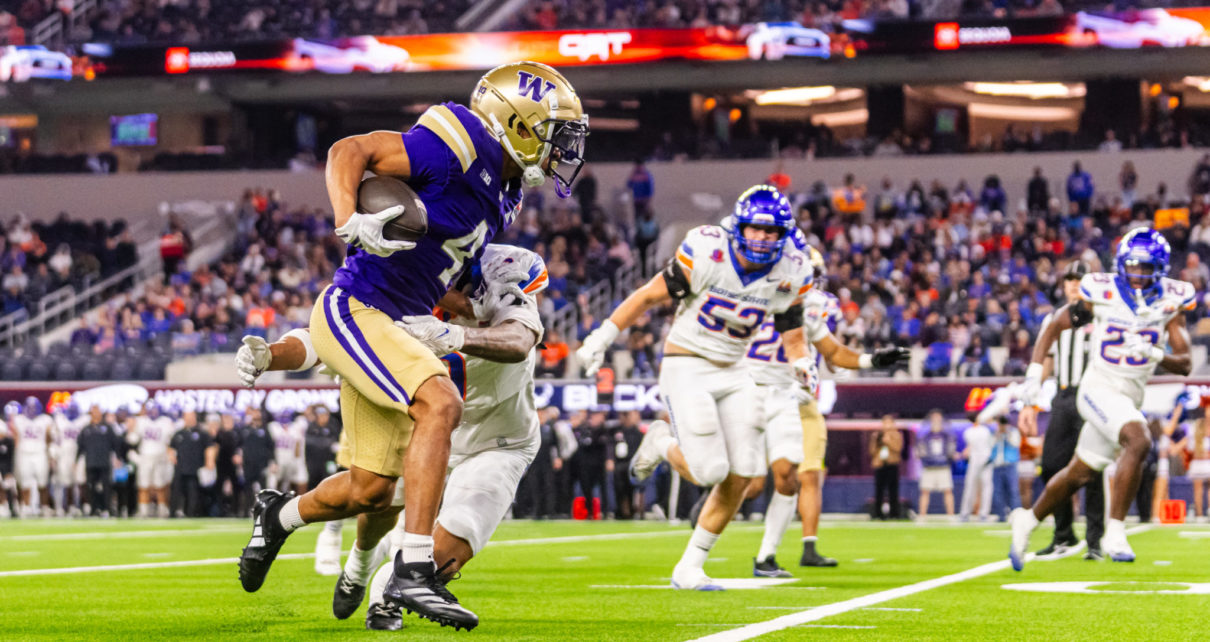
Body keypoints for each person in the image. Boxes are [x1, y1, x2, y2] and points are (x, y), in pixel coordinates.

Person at [234, 61, 586, 632]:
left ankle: (279, 515)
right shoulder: (462, 143)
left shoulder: (505, 189)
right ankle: (413, 569)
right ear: (517, 125)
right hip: (361, 306)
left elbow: (450, 275)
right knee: (440, 401)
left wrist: (457, 313)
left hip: (398, 319)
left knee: (373, 491)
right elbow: (349, 151)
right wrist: (349, 220)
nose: (561, 152)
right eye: (554, 135)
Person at [239, 244, 547, 630]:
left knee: (461, 532)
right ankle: (357, 562)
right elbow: (328, 337)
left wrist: (454, 335)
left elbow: (519, 341)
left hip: (497, 439)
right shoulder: (396, 286)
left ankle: (388, 591)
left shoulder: (500, 274)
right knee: (371, 495)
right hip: (426, 430)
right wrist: (272, 354)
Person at [579, 185, 814, 591]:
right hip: (687, 364)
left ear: (783, 235)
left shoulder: (792, 269)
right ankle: (659, 443)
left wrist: (802, 363)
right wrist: (602, 336)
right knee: (710, 471)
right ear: (739, 227)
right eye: (755, 229)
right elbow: (649, 295)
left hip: (737, 369)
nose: (761, 237)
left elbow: (792, 333)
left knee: (743, 474)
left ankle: (689, 567)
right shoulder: (709, 250)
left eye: (771, 231)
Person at [1011, 227, 1194, 568]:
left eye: (1146, 267)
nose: (1138, 275)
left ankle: (1028, 519)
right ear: (1122, 264)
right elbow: (1055, 325)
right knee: (1139, 440)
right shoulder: (1103, 292)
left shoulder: (1171, 301)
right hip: (1097, 388)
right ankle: (1115, 530)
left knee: (1079, 473)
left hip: (1129, 396)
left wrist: (1156, 354)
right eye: (1133, 267)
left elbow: (1185, 364)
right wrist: (1034, 374)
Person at [743, 243, 908, 575]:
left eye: (813, 275)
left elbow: (832, 351)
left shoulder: (813, 307)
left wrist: (871, 360)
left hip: (796, 397)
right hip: (750, 393)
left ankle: (784, 552)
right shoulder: (748, 294)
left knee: (800, 475)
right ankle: (711, 495)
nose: (809, 281)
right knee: (751, 482)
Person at [1020, 260, 1103, 559]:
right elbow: (1048, 362)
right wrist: (1030, 401)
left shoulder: (1102, 315)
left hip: (1093, 396)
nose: (1073, 283)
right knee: (1052, 464)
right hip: (1064, 396)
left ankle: (1095, 541)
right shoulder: (1054, 319)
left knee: (1093, 468)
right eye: (1069, 278)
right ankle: (1064, 534)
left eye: (1078, 278)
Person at [128, 400, 175, 518]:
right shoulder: (141, 421)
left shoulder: (166, 422)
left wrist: (170, 454)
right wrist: (132, 428)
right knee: (143, 485)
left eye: (155, 409)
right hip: (145, 456)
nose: (153, 412)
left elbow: (171, 442)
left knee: (160, 484)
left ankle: (162, 509)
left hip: (160, 457)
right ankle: (143, 510)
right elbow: (132, 439)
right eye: (151, 409)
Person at [168, 411, 217, 518]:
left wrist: (210, 461)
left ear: (195, 417)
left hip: (195, 468)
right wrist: (171, 456)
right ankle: (172, 513)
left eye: (191, 416)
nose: (189, 419)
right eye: (187, 417)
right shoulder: (179, 433)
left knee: (193, 493)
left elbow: (210, 447)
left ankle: (191, 514)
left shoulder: (202, 433)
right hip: (180, 468)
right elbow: (171, 447)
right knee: (176, 491)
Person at [12, 396, 52, 517]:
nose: (32, 410)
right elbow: (16, 438)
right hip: (24, 453)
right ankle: (26, 506)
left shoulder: (45, 420)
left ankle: (45, 507)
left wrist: (48, 451)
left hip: (40, 452)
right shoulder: (19, 420)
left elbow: (48, 437)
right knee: (25, 482)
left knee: (42, 482)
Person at [76, 406, 120, 517]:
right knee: (90, 487)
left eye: (97, 411)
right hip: (90, 462)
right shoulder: (86, 429)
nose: (96, 413)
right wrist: (76, 460)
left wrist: (118, 458)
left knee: (106, 487)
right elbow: (80, 446)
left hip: (104, 462)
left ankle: (107, 508)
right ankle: (93, 508)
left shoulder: (107, 428)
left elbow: (115, 443)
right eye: (94, 411)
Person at [916, 409, 956, 520]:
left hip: (943, 466)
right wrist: (923, 457)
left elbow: (951, 449)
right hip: (929, 467)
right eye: (934, 418)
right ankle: (922, 516)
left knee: (947, 490)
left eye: (938, 418)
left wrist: (950, 456)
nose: (936, 420)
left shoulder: (947, 435)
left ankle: (951, 515)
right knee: (925, 490)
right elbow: (920, 449)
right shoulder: (925, 436)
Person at [51, 402, 87, 516]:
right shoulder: (60, 421)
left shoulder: (84, 421)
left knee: (81, 481)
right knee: (66, 482)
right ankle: (68, 506)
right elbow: (56, 440)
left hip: (79, 454)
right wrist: (54, 455)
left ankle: (83, 505)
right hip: (64, 455)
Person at [237, 408, 275, 516]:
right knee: (247, 489)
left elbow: (271, 447)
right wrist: (237, 455)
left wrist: (273, 462)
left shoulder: (264, 430)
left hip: (262, 464)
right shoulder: (244, 429)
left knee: (263, 489)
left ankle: (264, 512)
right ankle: (245, 511)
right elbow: (238, 444)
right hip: (248, 464)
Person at [959, 412, 993, 522]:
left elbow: (968, 449)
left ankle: (966, 513)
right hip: (979, 461)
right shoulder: (985, 430)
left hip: (981, 461)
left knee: (973, 487)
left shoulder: (969, 432)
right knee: (984, 488)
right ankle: (982, 513)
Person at [989, 416, 1022, 521]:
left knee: (1013, 491)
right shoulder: (993, 433)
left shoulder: (1013, 432)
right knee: (997, 492)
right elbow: (990, 445)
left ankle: (1016, 515)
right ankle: (1000, 516)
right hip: (997, 466)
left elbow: (1016, 444)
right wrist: (997, 435)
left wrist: (1007, 434)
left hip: (1010, 465)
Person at [267, 411, 307, 494]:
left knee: (287, 486)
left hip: (291, 461)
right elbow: (269, 446)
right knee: (274, 485)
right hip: (277, 461)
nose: (285, 424)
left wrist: (297, 461)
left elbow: (298, 447)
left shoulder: (295, 428)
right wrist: (272, 461)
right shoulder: (273, 427)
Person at [871, 415, 902, 519]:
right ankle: (878, 514)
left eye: (889, 423)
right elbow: (871, 451)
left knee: (893, 490)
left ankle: (894, 514)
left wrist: (888, 441)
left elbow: (898, 448)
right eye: (885, 423)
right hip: (880, 464)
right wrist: (877, 440)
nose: (887, 425)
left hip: (892, 464)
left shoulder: (897, 435)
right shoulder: (877, 435)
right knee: (879, 490)